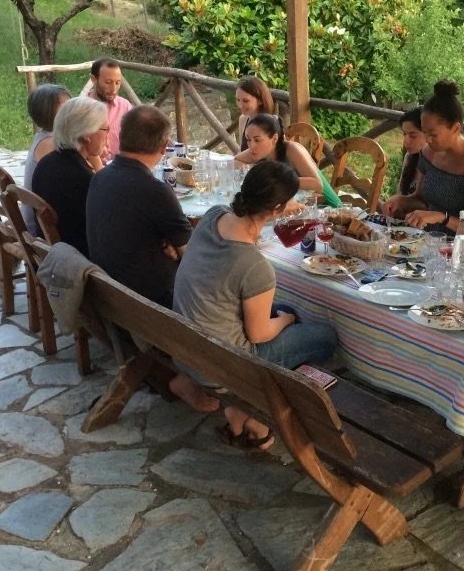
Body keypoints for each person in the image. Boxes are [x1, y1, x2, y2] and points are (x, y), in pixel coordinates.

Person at [173, 161, 338, 449]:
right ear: (277, 208)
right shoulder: (254, 265)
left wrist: (273, 210)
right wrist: (285, 321)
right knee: (325, 336)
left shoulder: (213, 216)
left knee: (287, 308)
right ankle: (254, 405)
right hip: (226, 365)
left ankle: (250, 403)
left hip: (185, 345)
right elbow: (258, 335)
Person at [86, 105, 216, 413]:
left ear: (120, 138)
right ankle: (221, 380)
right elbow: (195, 259)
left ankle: (174, 377)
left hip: (112, 296)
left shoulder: (99, 177)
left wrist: (170, 245)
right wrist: (179, 248)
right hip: (152, 305)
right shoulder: (154, 190)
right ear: (163, 147)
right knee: (229, 286)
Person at [382, 81, 464, 250]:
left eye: (433, 134)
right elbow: (421, 199)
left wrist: (442, 218)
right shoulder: (429, 153)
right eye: (424, 132)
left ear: (456, 128)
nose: (427, 140)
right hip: (429, 243)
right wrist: (401, 201)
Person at [31, 96, 108, 256]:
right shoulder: (83, 179)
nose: (108, 136)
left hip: (52, 255)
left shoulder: (47, 162)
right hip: (77, 265)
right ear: (88, 134)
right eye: (105, 129)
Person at [235, 113, 333, 201]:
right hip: (296, 205)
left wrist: (276, 180)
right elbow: (234, 161)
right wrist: (250, 170)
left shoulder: (292, 149)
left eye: (257, 140)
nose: (251, 145)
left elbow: (317, 185)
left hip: (326, 206)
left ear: (274, 139)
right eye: (248, 139)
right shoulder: (258, 151)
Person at [23, 83, 71, 236]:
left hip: (40, 219)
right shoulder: (50, 144)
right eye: (66, 108)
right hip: (41, 229)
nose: (72, 112)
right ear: (48, 112)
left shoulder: (43, 136)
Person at [87, 57, 132, 161]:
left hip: (120, 168)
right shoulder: (80, 109)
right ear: (94, 79)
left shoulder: (125, 106)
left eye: (117, 83)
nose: (113, 89)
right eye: (108, 82)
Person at [234, 76, 276, 151]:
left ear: (260, 100)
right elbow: (241, 151)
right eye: (238, 100)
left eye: (246, 101)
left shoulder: (271, 124)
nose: (240, 105)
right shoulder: (243, 119)